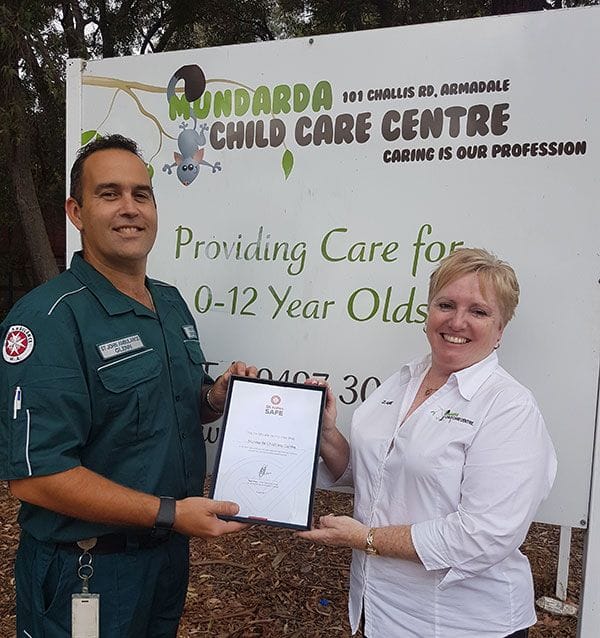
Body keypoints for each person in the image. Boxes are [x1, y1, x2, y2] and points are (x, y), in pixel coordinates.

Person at [0, 134, 256, 637]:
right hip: (87, 570)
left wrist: (213, 397)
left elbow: (171, 404)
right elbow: (35, 477)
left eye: (142, 194)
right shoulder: (49, 319)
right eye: (109, 193)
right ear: (76, 212)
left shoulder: (170, 303)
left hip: (164, 559)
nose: (129, 208)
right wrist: (170, 513)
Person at [299, 248, 557, 638]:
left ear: (500, 330)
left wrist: (366, 539)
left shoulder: (509, 408)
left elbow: (483, 534)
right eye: (446, 305)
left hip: (463, 623)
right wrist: (327, 435)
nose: (457, 321)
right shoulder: (404, 380)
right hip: (381, 611)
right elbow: (376, 475)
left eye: (478, 312)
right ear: (428, 312)